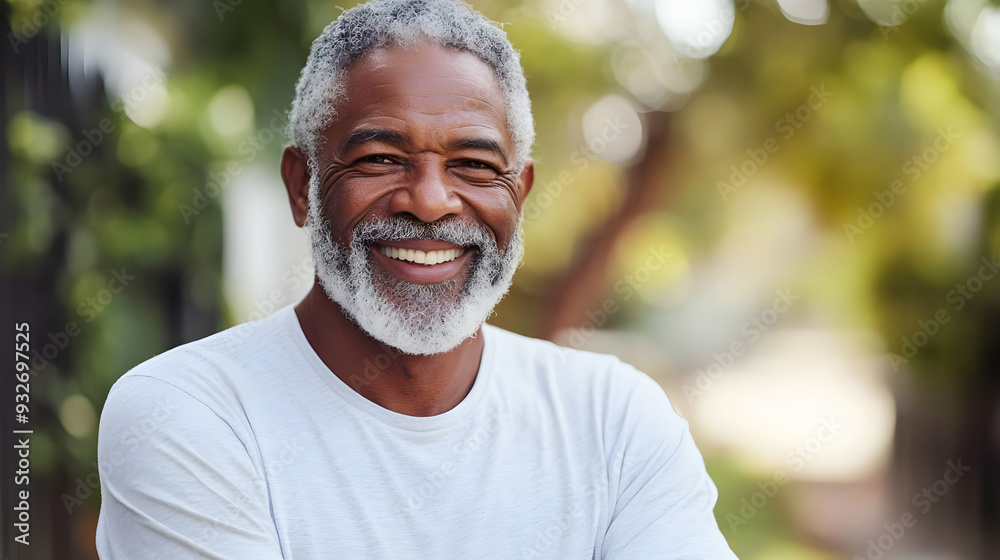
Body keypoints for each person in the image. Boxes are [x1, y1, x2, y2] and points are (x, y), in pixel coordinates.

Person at [95, 0, 739, 558]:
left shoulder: (614, 421)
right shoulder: (189, 415)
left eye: (474, 165)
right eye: (379, 158)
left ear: (521, 193)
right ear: (302, 187)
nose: (430, 201)